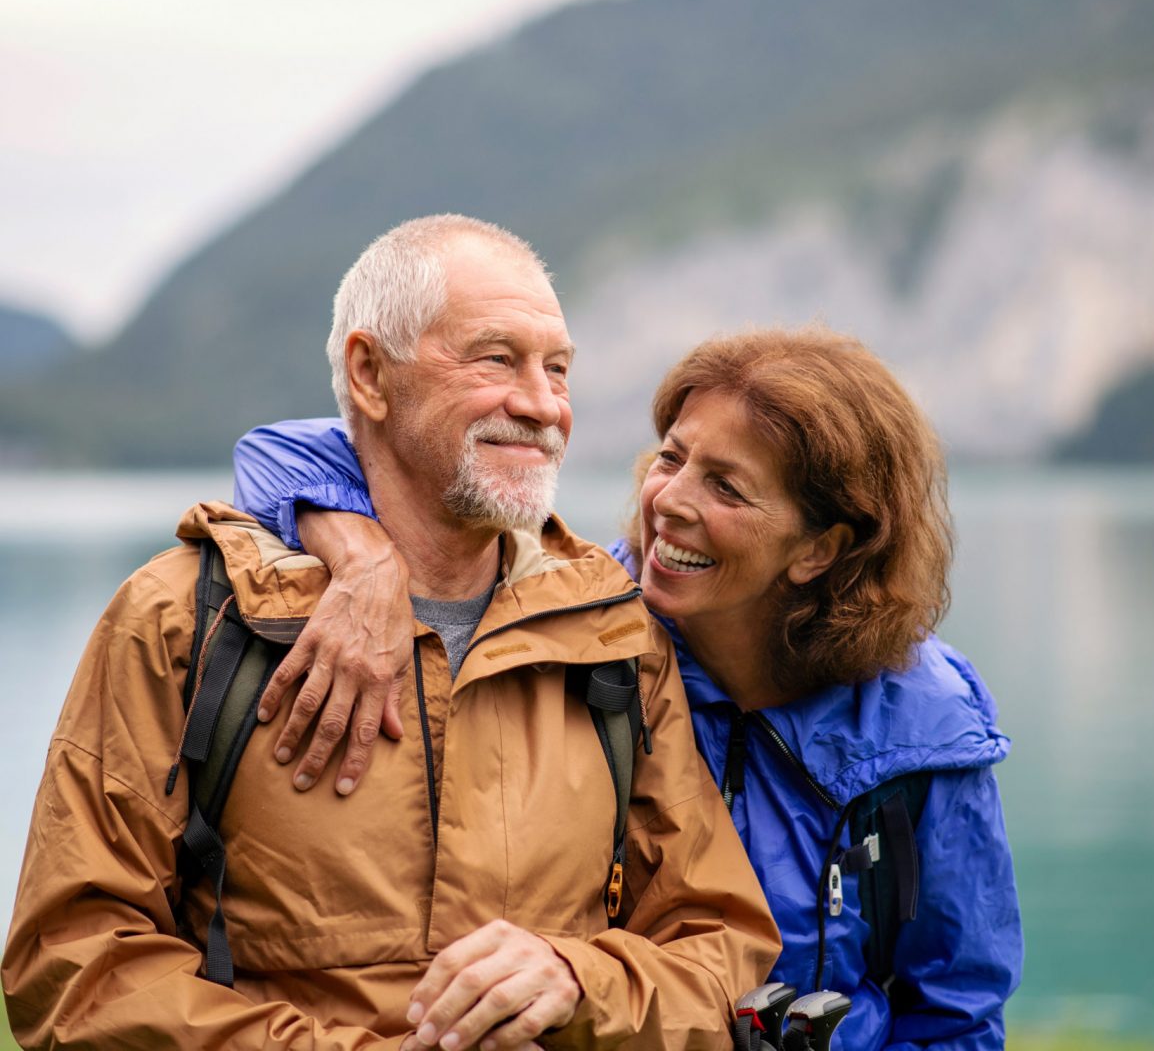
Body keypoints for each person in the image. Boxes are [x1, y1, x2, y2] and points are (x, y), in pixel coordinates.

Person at [2, 215, 781, 1050]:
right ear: (370, 374)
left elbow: (720, 946)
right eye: (495, 358)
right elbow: (75, 968)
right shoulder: (182, 619)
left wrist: (577, 980)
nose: (544, 404)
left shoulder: (613, 629)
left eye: (557, 368)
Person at [230, 325, 1024, 1049]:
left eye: (727, 487)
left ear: (819, 548)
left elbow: (956, 1010)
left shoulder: (923, 727)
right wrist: (362, 555)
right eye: (672, 457)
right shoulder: (585, 626)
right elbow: (276, 452)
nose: (668, 502)